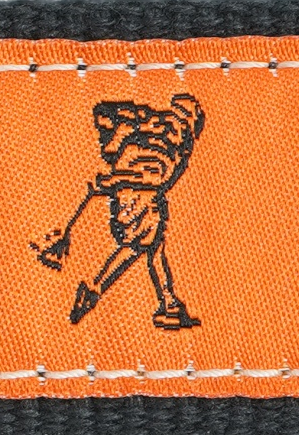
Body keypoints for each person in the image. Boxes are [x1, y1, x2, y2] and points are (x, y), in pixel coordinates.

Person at [32, 93, 207, 329]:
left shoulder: (156, 130)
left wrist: (110, 182)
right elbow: (155, 174)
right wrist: (112, 181)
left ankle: (168, 303)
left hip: (137, 198)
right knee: (139, 247)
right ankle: (95, 290)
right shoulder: (174, 142)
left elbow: (138, 163)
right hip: (141, 200)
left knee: (153, 249)